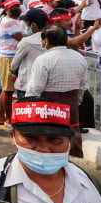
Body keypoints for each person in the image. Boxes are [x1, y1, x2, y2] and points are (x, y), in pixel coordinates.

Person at [25, 26, 89, 159]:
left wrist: (29, 105)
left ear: (46, 41)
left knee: (49, 135)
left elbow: (35, 87)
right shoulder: (79, 57)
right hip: (71, 102)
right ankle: (74, 160)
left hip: (48, 104)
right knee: (72, 132)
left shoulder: (43, 59)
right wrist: (77, 101)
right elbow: (83, 85)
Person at [0, 0, 24, 126]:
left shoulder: (14, 21)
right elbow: (21, 38)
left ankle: (1, 117)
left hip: (10, 56)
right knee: (8, 90)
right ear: (6, 9)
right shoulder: (8, 22)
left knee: (6, 90)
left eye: (18, 6)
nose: (17, 9)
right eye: (13, 7)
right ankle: (8, 118)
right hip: (8, 58)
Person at [10, 8, 49, 101]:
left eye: (27, 23)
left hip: (26, 84)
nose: (26, 26)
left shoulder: (26, 42)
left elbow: (14, 65)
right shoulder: (52, 39)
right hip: (46, 85)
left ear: (33, 25)